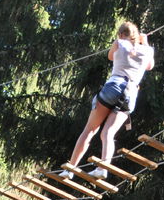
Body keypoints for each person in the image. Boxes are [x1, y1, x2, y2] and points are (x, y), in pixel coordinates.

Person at [60, 21, 154, 179]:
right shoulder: (147, 50)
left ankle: (70, 170)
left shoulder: (119, 42)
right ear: (136, 36)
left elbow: (110, 56)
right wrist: (144, 42)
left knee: (89, 130)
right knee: (108, 133)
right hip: (130, 93)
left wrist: (122, 41)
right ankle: (103, 168)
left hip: (114, 86)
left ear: (120, 34)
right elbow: (149, 66)